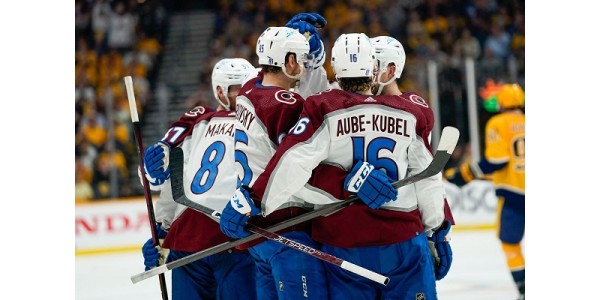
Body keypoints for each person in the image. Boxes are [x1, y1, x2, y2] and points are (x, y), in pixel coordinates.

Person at [223, 32, 452, 300]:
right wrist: (438, 229)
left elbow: (292, 162)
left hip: (342, 240)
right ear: (373, 67)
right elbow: (427, 179)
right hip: (403, 239)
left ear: (335, 66)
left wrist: (252, 201)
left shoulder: (323, 107)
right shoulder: (408, 112)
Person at [218, 19, 336, 299]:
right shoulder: (286, 104)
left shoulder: (249, 89)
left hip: (257, 234)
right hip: (288, 228)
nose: (305, 67)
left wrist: (285, 40)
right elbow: (304, 149)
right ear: (290, 61)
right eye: (302, 60)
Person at [140, 58, 259, 300]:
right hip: (195, 243)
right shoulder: (199, 121)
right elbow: (175, 179)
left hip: (236, 242)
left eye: (251, 86)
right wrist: (161, 232)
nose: (247, 93)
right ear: (219, 91)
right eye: (239, 88)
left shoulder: (259, 119)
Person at [445, 82, 525, 300]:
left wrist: (464, 175)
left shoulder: (498, 122)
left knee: (510, 242)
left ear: (502, 103)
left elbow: (498, 161)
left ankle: (524, 288)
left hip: (514, 193)